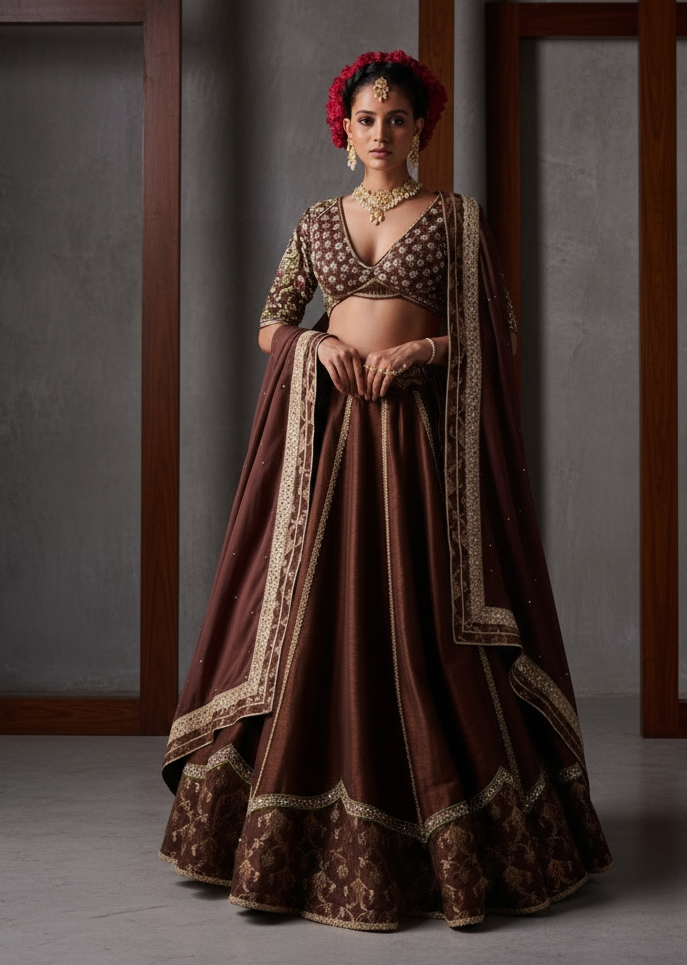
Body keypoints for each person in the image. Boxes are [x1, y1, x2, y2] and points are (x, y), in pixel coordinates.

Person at [159, 50, 612, 932]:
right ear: (344, 130)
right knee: (312, 618)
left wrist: (422, 353)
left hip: (413, 444)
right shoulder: (318, 218)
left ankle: (456, 833)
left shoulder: (453, 216)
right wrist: (315, 347)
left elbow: (496, 333)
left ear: (420, 128)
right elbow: (270, 322)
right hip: (329, 442)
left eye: (396, 118)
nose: (379, 133)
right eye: (365, 119)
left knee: (419, 615)